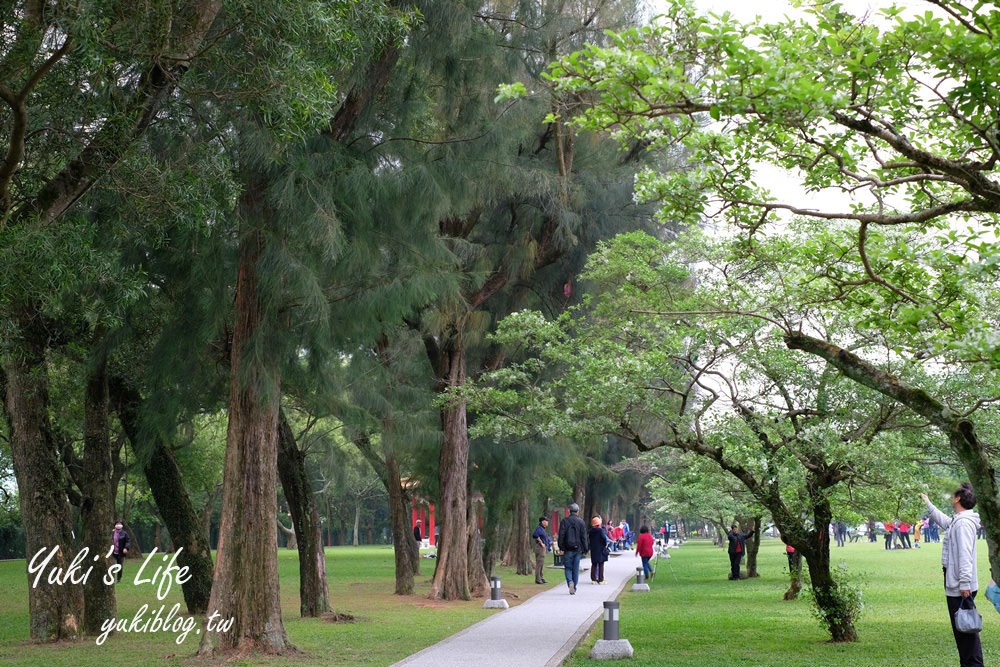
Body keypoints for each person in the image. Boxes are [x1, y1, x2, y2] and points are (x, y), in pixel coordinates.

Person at [922, 485, 983, 667]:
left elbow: (965, 555)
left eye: (952, 494)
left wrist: (964, 584)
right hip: (958, 583)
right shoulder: (959, 520)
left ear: (958, 498)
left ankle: (973, 665)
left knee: (966, 632)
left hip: (960, 585)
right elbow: (945, 522)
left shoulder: (963, 523)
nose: (950, 496)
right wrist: (928, 502)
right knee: (963, 631)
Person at [557, 503, 588, 595]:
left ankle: (570, 582)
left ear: (570, 511)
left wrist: (561, 546)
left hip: (567, 549)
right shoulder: (581, 522)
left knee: (568, 568)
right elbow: (584, 537)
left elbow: (561, 535)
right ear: (577, 511)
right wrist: (585, 548)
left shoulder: (564, 521)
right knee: (575, 568)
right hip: (578, 549)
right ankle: (574, 587)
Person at [589, 516, 610, 584]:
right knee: (601, 564)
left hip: (593, 549)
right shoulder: (600, 530)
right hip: (600, 549)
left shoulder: (591, 531)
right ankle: (601, 580)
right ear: (599, 524)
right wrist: (604, 545)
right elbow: (604, 539)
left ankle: (593, 579)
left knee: (594, 564)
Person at [532, 517, 549, 584]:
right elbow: (535, 535)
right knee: (539, 564)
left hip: (543, 548)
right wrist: (541, 542)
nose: (547, 522)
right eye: (546, 521)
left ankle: (541, 578)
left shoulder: (543, 529)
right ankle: (538, 579)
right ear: (542, 522)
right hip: (540, 548)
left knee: (541, 564)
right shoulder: (539, 528)